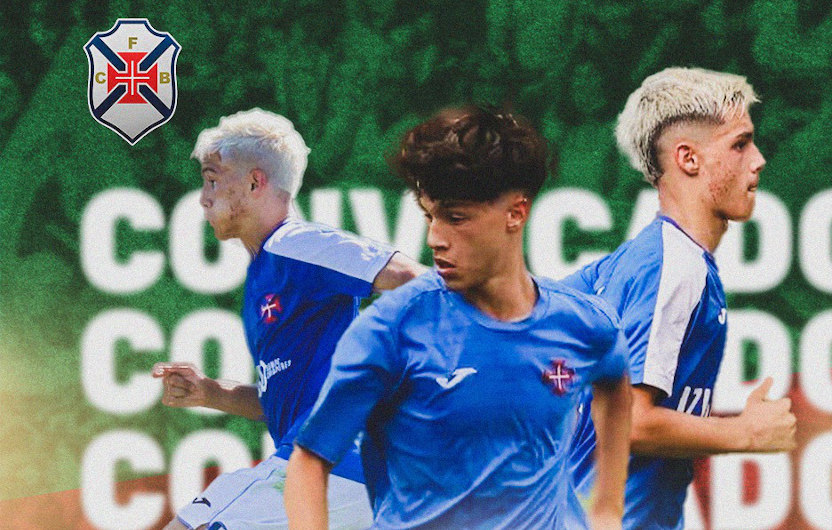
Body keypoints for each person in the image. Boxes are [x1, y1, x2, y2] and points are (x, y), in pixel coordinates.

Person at [284, 106, 633, 529]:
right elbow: (309, 462)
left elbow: (615, 390)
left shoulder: (584, 324)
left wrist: (607, 511)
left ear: (515, 213)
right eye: (429, 215)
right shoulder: (390, 331)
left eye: (455, 218)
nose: (434, 237)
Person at [151, 108, 425, 530]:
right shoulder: (267, 272)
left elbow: (412, 277)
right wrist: (211, 392)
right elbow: (286, 401)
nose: (203, 197)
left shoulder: (296, 244)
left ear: (254, 183)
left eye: (212, 180)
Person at [563, 67, 798, 529]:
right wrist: (746, 433)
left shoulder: (628, 263)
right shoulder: (674, 265)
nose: (758, 160)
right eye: (740, 144)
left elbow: (518, 308)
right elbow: (631, 421)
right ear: (688, 159)